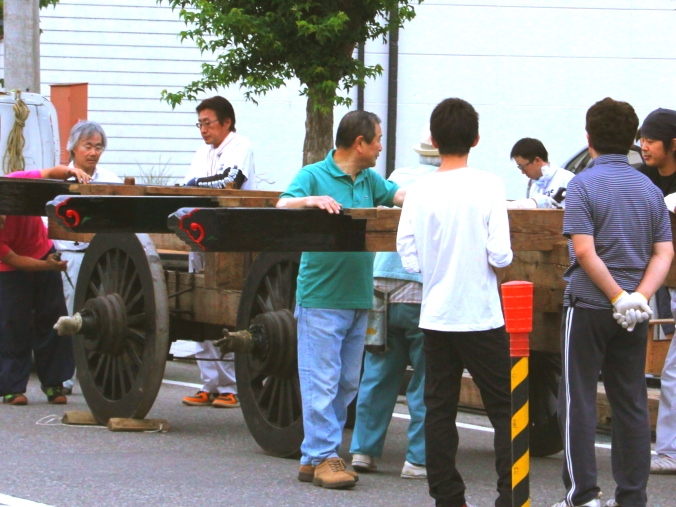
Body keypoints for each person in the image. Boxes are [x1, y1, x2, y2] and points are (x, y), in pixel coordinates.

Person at [551, 98, 673, 507]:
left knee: (579, 399)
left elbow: (584, 251)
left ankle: (582, 495)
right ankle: (632, 497)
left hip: (588, 303)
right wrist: (638, 296)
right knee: (631, 401)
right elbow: (664, 252)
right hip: (634, 313)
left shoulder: (582, 184)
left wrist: (615, 295)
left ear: (589, 139)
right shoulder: (650, 189)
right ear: (632, 140)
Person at [277, 110, 405, 489]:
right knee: (321, 381)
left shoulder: (369, 179)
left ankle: (313, 457)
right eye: (377, 139)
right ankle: (324, 456)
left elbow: (399, 195)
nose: (380, 146)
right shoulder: (313, 175)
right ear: (360, 143)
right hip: (321, 297)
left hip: (358, 297)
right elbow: (282, 205)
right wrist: (310, 201)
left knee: (346, 382)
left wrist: (440, 195)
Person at [397, 98, 513, 507]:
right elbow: (501, 253)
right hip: (482, 314)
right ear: (475, 139)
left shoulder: (419, 191)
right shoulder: (489, 185)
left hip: (437, 314)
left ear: (433, 140)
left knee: (439, 409)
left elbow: (406, 251)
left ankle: (448, 497)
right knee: (505, 408)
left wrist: (433, 269)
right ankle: (510, 495)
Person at [349, 125, 439, 480]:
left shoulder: (396, 177)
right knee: (426, 378)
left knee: (378, 370)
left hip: (381, 286)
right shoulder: (449, 184)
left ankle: (364, 450)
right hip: (422, 292)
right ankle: (417, 459)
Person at [181, 96, 255, 409]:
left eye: (208, 123)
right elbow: (187, 184)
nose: (203, 130)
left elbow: (230, 181)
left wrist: (194, 183)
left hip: (229, 236)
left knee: (225, 308)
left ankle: (230, 386)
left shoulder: (241, 146)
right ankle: (208, 384)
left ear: (226, 122)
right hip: (200, 234)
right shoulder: (203, 152)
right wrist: (193, 184)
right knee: (198, 304)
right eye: (199, 124)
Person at [1, 166, 91, 406]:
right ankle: (12, 387)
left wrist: (71, 171)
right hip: (10, 270)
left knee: (53, 318)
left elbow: (50, 174)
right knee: (13, 325)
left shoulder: (15, 182)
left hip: (42, 250)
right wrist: (48, 266)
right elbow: (14, 260)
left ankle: (54, 383)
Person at [51, 121, 122, 395]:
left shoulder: (110, 180)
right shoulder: (60, 179)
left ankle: (96, 375)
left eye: (98, 147)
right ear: (73, 148)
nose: (93, 152)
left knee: (102, 315)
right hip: (69, 255)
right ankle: (65, 377)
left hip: (102, 256)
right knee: (70, 313)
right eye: (87, 146)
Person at [637, 107, 676, 475]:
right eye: (642, 140)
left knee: (673, 370)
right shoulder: (645, 178)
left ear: (673, 144)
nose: (644, 146)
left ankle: (670, 450)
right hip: (660, 284)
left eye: (651, 140)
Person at [507, 137, 574, 209]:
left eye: (522, 167)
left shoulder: (568, 180)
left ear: (537, 160)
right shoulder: (534, 186)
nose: (522, 172)